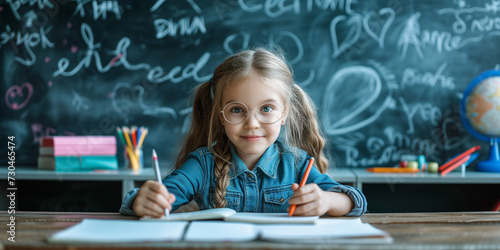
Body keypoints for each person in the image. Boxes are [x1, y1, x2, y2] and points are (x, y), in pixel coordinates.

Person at [120, 48, 367, 218]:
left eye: (267, 109)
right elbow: (154, 198)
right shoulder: (203, 165)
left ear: (284, 114)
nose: (252, 123)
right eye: (237, 110)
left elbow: (355, 200)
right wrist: (144, 201)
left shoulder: (297, 165)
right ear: (221, 115)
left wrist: (327, 201)